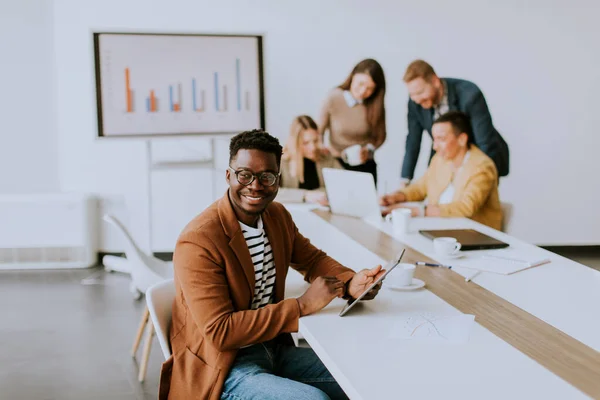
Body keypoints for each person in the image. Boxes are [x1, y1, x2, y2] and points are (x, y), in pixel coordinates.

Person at [159, 129, 386, 400]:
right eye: (245, 174)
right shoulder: (199, 240)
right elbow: (220, 332)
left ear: (278, 179)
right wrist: (301, 306)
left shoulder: (276, 216)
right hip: (222, 367)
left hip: (272, 348)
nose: (255, 185)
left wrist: (350, 282)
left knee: (364, 377)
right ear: (229, 175)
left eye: (266, 176)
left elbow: (312, 260)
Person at [381, 111, 503, 230]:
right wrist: (396, 197)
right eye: (434, 139)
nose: (435, 146)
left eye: (441, 139)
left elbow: (466, 207)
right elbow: (420, 188)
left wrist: (420, 211)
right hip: (440, 228)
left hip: (472, 235)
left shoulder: (482, 166)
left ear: (462, 139)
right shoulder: (440, 159)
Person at [400, 59, 509, 186]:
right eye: (412, 95)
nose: (417, 99)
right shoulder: (415, 102)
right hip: (445, 155)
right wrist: (405, 180)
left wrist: (478, 177)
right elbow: (413, 140)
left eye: (420, 92)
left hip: (478, 154)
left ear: (435, 81)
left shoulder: (470, 95)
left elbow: (485, 143)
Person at [318, 58, 387, 184]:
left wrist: (369, 150)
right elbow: (319, 131)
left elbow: (380, 136)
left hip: (365, 166)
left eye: (369, 88)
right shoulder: (334, 97)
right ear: (353, 75)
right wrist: (322, 148)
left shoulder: (374, 104)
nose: (362, 92)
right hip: (337, 164)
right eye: (360, 84)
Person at [278, 115, 342, 205]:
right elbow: (269, 193)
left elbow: (344, 183)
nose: (313, 148)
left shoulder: (326, 157)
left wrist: (320, 194)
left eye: (315, 141)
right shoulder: (281, 161)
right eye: (305, 143)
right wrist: (305, 195)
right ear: (295, 142)